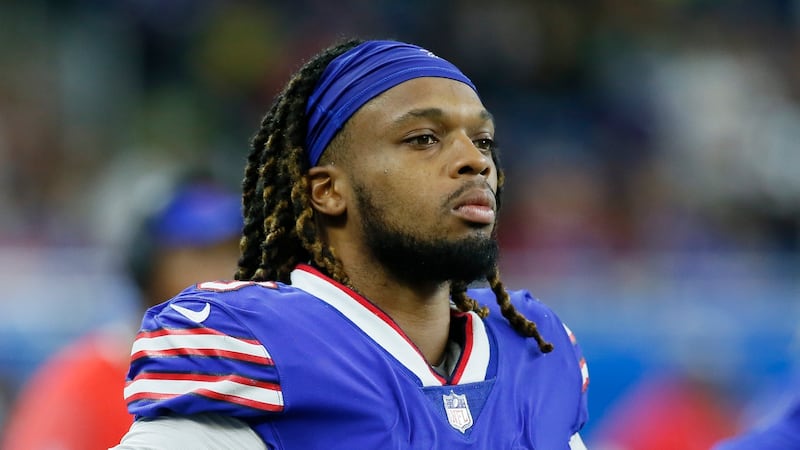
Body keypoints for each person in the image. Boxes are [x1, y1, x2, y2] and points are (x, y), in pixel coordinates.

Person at [113, 38, 590, 449]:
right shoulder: (259, 346)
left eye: (483, 141)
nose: (473, 161)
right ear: (328, 191)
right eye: (424, 138)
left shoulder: (535, 347)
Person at [1, 177, 242, 450]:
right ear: (148, 266)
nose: (227, 272)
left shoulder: (254, 379)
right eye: (202, 253)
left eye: (235, 253)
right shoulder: (82, 382)